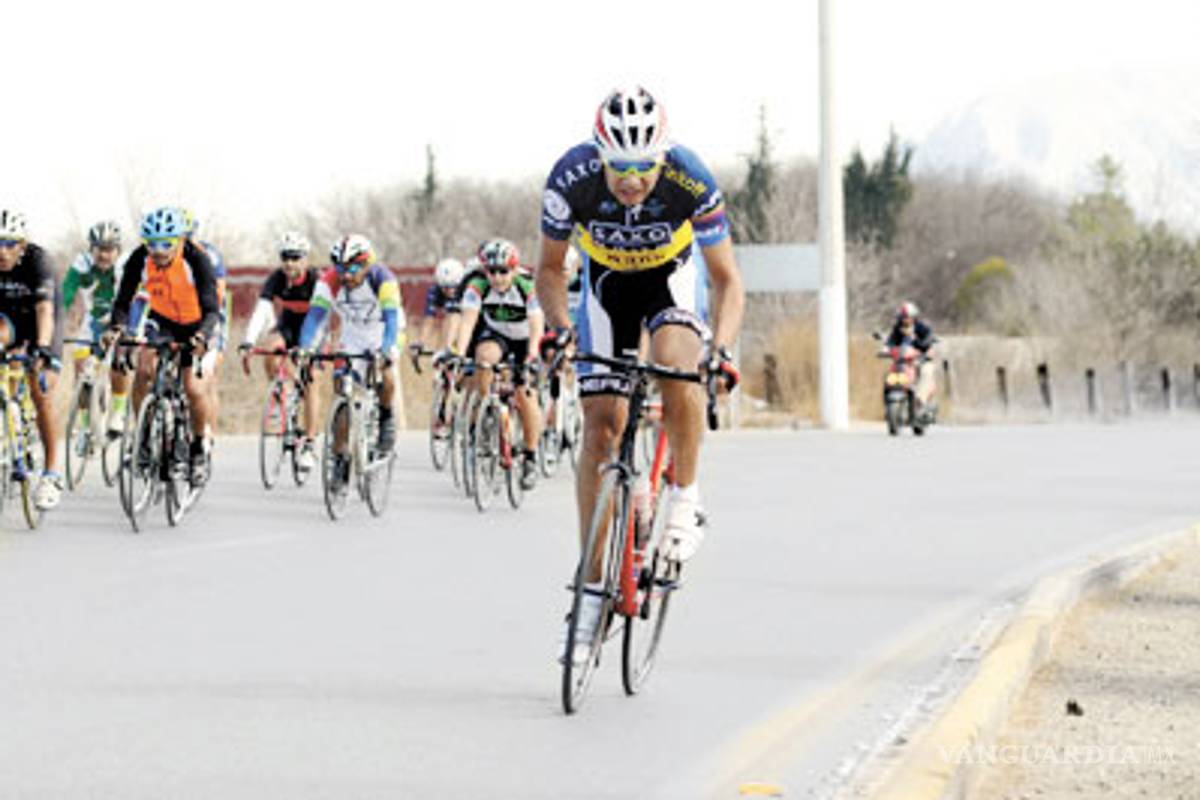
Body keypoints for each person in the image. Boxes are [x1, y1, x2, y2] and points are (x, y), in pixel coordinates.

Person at [535, 86, 745, 661]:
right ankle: (591, 589)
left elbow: (727, 279)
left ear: (662, 157)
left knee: (678, 367)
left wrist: (722, 349)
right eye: (620, 168)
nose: (632, 180)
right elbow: (550, 271)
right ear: (599, 155)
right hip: (605, 288)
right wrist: (559, 327)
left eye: (643, 167)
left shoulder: (689, 177)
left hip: (671, 281)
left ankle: (685, 496)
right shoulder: (571, 178)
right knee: (601, 427)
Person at [108, 207, 221, 485]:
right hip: (163, 319)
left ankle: (198, 447)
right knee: (144, 369)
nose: (158, 251)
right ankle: (143, 436)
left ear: (179, 240)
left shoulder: (197, 259)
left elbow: (212, 309)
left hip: (198, 323)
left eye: (166, 244)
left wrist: (202, 337)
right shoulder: (139, 258)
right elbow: (123, 301)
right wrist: (117, 329)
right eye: (152, 244)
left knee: (193, 388)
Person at [296, 235, 403, 458]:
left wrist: (386, 349)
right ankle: (340, 453)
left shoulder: (383, 279)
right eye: (340, 269)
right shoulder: (328, 281)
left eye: (352, 269)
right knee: (342, 385)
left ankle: (386, 416)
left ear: (366, 264)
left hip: (383, 331)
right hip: (352, 334)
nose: (346, 275)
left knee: (385, 371)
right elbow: (315, 317)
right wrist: (305, 347)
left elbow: (391, 319)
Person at [451, 238, 544, 491]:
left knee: (525, 394)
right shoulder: (477, 286)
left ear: (514, 270)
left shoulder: (527, 286)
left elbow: (537, 326)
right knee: (483, 359)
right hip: (498, 335)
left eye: (503, 271)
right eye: (491, 271)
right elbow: (467, 322)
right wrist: (459, 354)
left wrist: (532, 357)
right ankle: (487, 412)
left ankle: (530, 455)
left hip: (525, 339)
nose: (497, 278)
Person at [0, 209, 66, 509]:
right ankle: (10, 413)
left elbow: (44, 311)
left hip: (42, 321)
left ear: (22, 245)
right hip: (8, 321)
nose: (2, 251)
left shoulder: (39, 262)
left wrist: (42, 349)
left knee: (42, 390)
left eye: (10, 244)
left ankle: (51, 474)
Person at [239, 231, 321, 470]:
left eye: (295, 258)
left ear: (305, 259)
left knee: (312, 380)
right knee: (271, 350)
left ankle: (309, 443)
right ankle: (282, 397)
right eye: (285, 257)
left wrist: (310, 348)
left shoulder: (316, 281)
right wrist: (248, 341)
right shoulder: (277, 278)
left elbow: (324, 318)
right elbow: (262, 311)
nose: (289, 263)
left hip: (314, 329)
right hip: (287, 326)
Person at [62, 220, 133, 437]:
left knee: (119, 362)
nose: (104, 255)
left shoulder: (125, 266)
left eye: (109, 250)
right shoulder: (82, 264)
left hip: (121, 320)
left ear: (118, 250)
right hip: (93, 321)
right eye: (100, 249)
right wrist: (60, 320)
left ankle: (118, 412)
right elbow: (66, 293)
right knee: (81, 369)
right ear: (91, 248)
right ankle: (85, 424)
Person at [181, 209, 229, 441]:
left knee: (205, 379)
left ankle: (207, 433)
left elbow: (217, 297)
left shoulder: (208, 256)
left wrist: (205, 331)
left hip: (210, 317)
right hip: (180, 318)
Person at [885, 302, 937, 420]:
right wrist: (886, 349)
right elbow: (891, 341)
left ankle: (920, 400)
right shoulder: (898, 328)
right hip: (903, 360)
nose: (904, 320)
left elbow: (927, 343)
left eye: (907, 317)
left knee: (927, 372)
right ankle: (888, 402)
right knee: (890, 375)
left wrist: (914, 339)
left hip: (920, 359)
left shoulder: (921, 328)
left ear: (913, 317)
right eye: (902, 317)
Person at [411, 257, 466, 362]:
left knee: (454, 315)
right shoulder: (435, 291)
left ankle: (448, 349)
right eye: (446, 287)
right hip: (451, 331)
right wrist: (421, 342)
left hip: (470, 327)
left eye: (454, 287)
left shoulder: (467, 289)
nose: (450, 291)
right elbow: (429, 319)